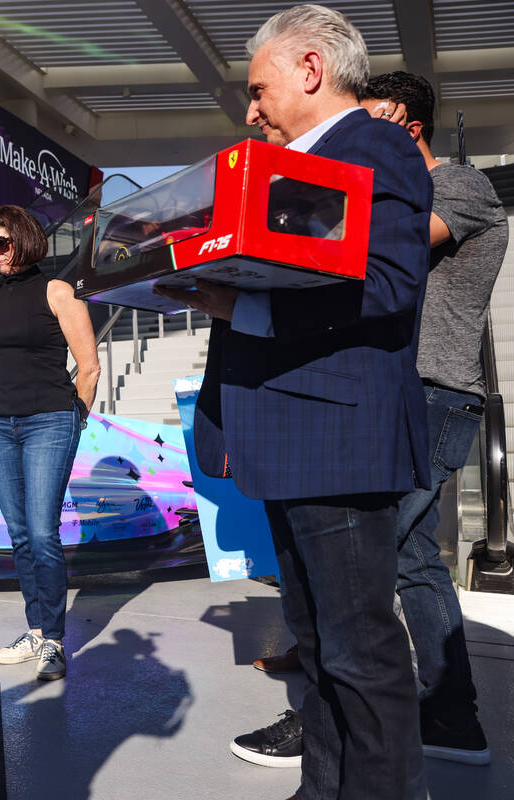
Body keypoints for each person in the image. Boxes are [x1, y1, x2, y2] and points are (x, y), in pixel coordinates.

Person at [153, 6, 433, 799]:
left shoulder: (372, 145)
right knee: (318, 647)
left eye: (258, 89)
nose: (249, 110)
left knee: (359, 652)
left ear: (311, 69)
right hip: (291, 432)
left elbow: (386, 283)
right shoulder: (289, 164)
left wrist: (235, 306)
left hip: (334, 437)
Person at [231, 70, 506, 770]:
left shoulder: (459, 186)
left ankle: (366, 721)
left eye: (376, 118)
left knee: (374, 566)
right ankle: (446, 716)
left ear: (408, 124)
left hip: (437, 390)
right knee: (406, 557)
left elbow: (384, 250)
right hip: (399, 390)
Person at [0, 204, 99, 681]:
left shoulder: (58, 292)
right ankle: (34, 628)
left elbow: (88, 367)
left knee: (44, 532)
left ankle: (54, 639)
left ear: (23, 238)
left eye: (1, 242)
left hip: (51, 420)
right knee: (20, 534)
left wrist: (76, 420)